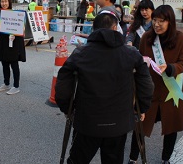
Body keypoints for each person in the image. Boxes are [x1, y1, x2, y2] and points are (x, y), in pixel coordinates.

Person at [55, 12, 154, 164]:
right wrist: (141, 107)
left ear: (94, 29)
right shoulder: (130, 54)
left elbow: (63, 84)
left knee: (77, 160)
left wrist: (68, 108)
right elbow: (146, 84)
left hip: (87, 121)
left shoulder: (81, 53)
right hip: (119, 123)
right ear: (115, 28)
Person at [128, 5, 183, 164]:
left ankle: (166, 159)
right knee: (140, 126)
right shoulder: (147, 38)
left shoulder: (181, 38)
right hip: (150, 90)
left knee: (171, 127)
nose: (156, 24)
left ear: (170, 22)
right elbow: (139, 60)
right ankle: (133, 158)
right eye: (154, 20)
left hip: (171, 91)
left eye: (161, 21)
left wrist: (169, 67)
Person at [0, 0, 26, 95]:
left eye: (5, 1)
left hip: (14, 41)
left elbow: (22, 28)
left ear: (9, 2)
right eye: (2, 2)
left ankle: (16, 86)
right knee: (4, 63)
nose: (4, 3)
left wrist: (16, 33)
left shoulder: (15, 14)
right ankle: (6, 83)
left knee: (14, 63)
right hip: (3, 41)